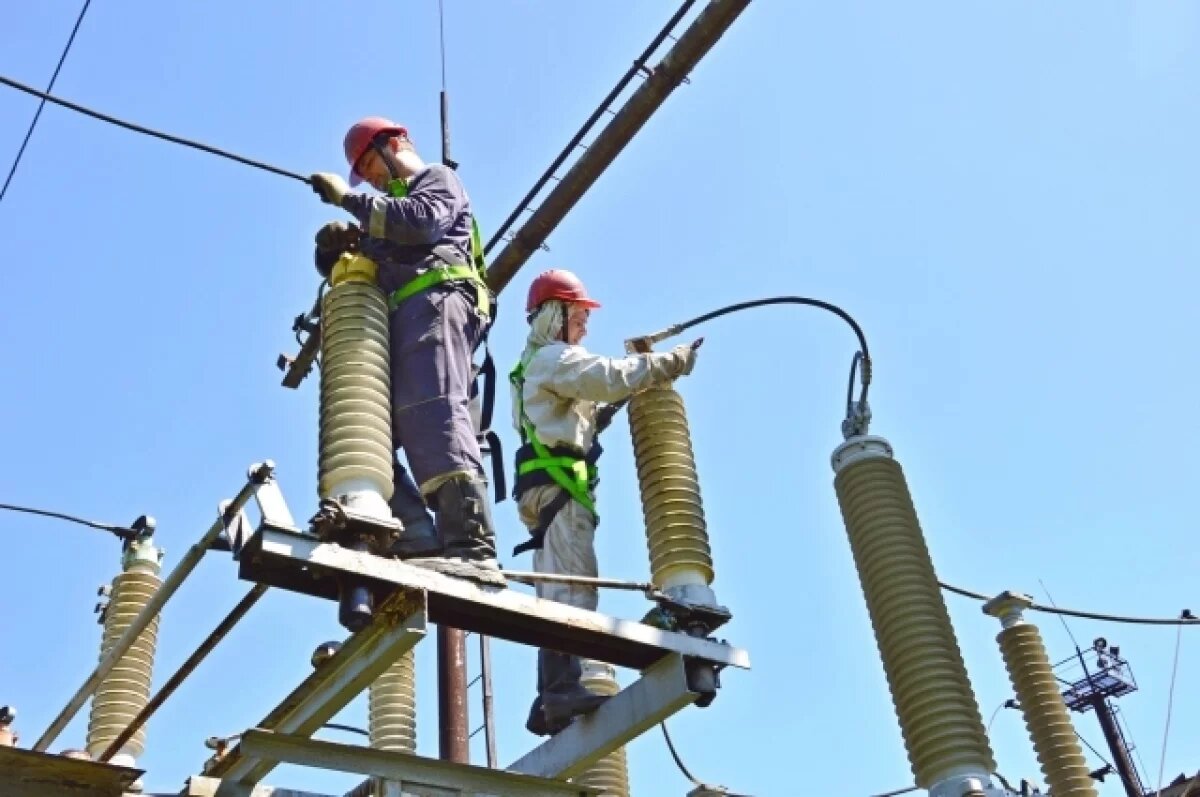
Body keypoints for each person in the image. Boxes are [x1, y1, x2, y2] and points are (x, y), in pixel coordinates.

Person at [310, 117, 503, 587]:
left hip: (438, 303)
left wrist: (349, 199)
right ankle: (418, 537)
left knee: (434, 414)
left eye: (372, 164)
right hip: (405, 319)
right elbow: (372, 257)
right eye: (364, 173)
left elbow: (420, 223)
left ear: (395, 144)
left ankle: (472, 547)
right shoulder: (388, 210)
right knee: (370, 430)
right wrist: (339, 248)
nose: (372, 177)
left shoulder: (437, 179)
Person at [510, 269, 701, 735]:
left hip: (542, 488)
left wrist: (603, 413)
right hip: (560, 489)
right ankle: (561, 691)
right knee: (574, 589)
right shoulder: (555, 357)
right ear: (554, 316)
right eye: (579, 315)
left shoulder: (536, 363)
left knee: (556, 591)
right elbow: (610, 376)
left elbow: (579, 407)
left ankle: (550, 699)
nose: (585, 326)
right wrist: (670, 364)